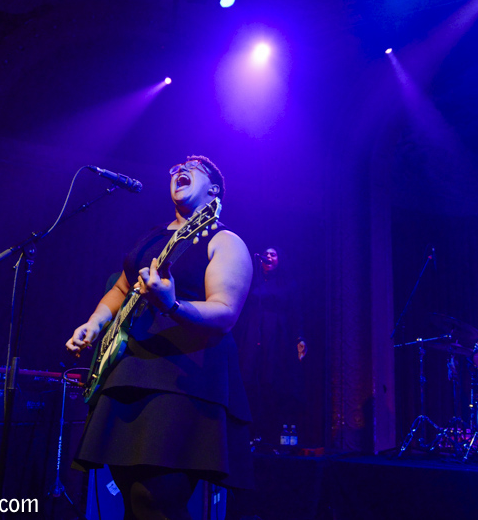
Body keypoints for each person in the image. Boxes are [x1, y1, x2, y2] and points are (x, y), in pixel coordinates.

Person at [67, 155, 253, 520]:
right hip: (131, 373)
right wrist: (94, 323)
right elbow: (121, 289)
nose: (181, 169)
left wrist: (172, 304)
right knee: (132, 498)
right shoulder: (152, 237)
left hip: (184, 377)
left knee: (158, 500)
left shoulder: (223, 240)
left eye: (194, 168)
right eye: (177, 167)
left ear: (214, 190)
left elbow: (225, 312)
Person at [234, 246, 307, 451]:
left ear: (280, 259)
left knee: (272, 381)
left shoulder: (288, 283)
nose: (268, 257)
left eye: (273, 254)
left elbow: (296, 313)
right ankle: (250, 433)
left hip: (277, 336)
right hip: (252, 334)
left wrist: (300, 337)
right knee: (249, 379)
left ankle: (271, 433)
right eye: (266, 254)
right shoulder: (253, 280)